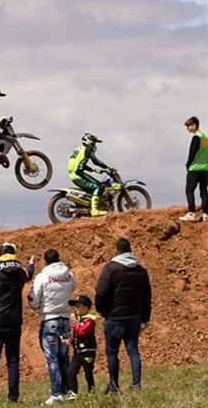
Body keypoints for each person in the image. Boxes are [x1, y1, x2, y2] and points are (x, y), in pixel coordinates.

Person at [0, 242, 35, 403]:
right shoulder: (20, 270)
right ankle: (13, 397)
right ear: (13, 253)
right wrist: (31, 265)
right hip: (14, 321)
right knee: (13, 361)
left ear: (0, 253)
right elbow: (29, 275)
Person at [95, 238, 152, 394]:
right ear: (130, 249)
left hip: (114, 317)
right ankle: (136, 385)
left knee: (112, 353)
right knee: (133, 351)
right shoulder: (141, 270)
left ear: (117, 250)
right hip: (133, 317)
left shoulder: (110, 268)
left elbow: (101, 291)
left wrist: (102, 310)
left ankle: (114, 386)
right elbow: (147, 296)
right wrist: (145, 317)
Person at [27, 249, 76, 405]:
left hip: (49, 321)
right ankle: (68, 390)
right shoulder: (70, 275)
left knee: (52, 359)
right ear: (58, 258)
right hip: (65, 320)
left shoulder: (42, 277)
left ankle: (56, 393)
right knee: (64, 357)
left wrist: (33, 300)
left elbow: (33, 301)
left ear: (45, 261)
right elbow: (71, 290)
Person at [67, 132, 112, 217]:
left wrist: (93, 170)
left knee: (98, 185)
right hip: (78, 175)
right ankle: (94, 210)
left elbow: (80, 165)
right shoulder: (87, 149)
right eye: (94, 142)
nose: (95, 145)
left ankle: (88, 206)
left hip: (75, 173)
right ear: (89, 141)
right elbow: (96, 161)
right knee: (99, 187)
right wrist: (107, 167)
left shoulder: (79, 149)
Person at [66, 295, 97, 396]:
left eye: (78, 305)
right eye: (75, 306)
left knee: (88, 373)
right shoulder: (79, 320)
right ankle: (73, 392)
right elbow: (76, 335)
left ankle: (92, 392)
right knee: (71, 372)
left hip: (88, 352)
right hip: (77, 353)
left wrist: (74, 321)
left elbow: (82, 331)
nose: (76, 308)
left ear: (86, 307)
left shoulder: (89, 320)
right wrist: (69, 341)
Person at [179, 116, 208, 222]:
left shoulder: (196, 137)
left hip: (194, 168)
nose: (187, 128)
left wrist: (188, 164)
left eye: (189, 126)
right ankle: (205, 214)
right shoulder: (205, 137)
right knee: (203, 191)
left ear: (194, 125)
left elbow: (192, 152)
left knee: (189, 190)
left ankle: (191, 213)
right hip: (205, 169)